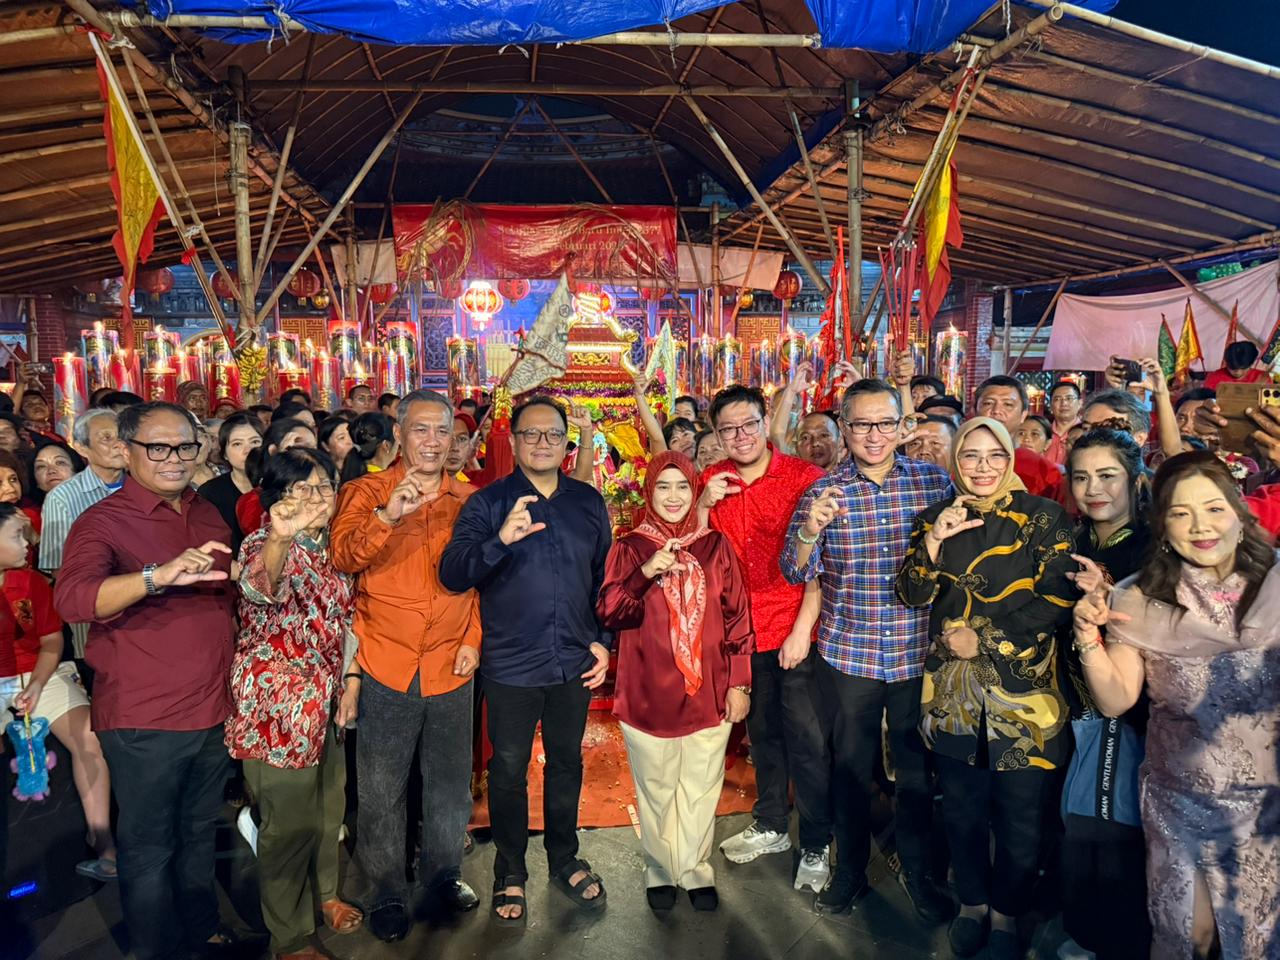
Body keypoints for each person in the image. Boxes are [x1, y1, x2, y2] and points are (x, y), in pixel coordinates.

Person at [1072, 451, 1279, 960]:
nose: (1201, 526)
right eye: (1181, 513)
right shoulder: (1138, 600)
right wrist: (1087, 638)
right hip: (1181, 798)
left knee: (1256, 938)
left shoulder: (1276, 586)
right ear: (1163, 527)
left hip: (1269, 803)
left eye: (1214, 509)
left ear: (1239, 514)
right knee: (1188, 933)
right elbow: (1116, 699)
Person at [53, 401, 237, 960]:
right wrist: (155, 576)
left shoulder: (206, 512)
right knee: (150, 845)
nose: (174, 458)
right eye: (158, 447)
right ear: (127, 451)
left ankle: (202, 931)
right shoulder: (103, 520)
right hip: (145, 718)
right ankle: (155, 949)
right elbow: (73, 598)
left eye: (185, 446)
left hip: (213, 707)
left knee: (199, 832)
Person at [897, 417, 1075, 960]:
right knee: (961, 808)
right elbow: (911, 594)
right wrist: (934, 540)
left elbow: (1057, 598)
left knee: (1021, 814)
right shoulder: (936, 517)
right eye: (970, 456)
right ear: (955, 461)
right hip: (953, 695)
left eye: (994, 455)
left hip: (1025, 695)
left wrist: (987, 638)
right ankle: (972, 904)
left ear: (1010, 459)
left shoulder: (1043, 518)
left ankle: (1007, 913)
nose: (982, 467)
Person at [781, 378, 954, 921]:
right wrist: (810, 530)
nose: (874, 435)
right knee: (851, 769)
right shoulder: (824, 491)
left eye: (885, 423)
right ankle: (850, 868)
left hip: (916, 652)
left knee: (916, 774)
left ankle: (919, 873)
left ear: (903, 426)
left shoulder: (932, 482)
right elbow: (795, 570)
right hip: (849, 653)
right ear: (845, 427)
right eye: (861, 424)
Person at [439, 396, 612, 926]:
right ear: (512, 441)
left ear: (566, 443)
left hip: (573, 660)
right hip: (511, 663)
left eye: (553, 435)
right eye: (531, 434)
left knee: (566, 761)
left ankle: (564, 857)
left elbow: (604, 578)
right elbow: (453, 572)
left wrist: (603, 640)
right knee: (509, 768)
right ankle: (510, 870)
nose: (542, 443)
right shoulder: (488, 504)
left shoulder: (586, 501)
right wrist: (499, 541)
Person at [329, 390, 482, 940]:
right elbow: (343, 557)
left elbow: (480, 579)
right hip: (385, 661)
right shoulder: (366, 492)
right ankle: (387, 890)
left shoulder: (468, 500)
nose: (433, 442)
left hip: (451, 662)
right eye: (421, 429)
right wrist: (389, 516)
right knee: (381, 788)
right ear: (398, 435)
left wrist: (474, 638)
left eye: (443, 431)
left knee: (449, 785)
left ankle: (443, 875)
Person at [597, 451, 753, 912]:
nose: (673, 496)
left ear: (695, 491)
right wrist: (647, 573)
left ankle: (694, 868)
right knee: (657, 787)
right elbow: (610, 612)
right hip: (647, 690)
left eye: (682, 486)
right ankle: (661, 869)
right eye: (663, 486)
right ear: (649, 492)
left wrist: (740, 684)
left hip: (710, 689)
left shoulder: (715, 546)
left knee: (701, 787)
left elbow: (738, 618)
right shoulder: (630, 547)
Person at [228, 447, 362, 959]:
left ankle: (325, 894)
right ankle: (288, 937)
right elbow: (259, 588)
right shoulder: (264, 541)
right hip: (277, 708)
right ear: (276, 497)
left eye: (323, 485)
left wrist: (351, 680)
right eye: (300, 488)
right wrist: (280, 538)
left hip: (327, 700)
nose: (315, 497)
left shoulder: (334, 548)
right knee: (287, 825)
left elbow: (348, 622)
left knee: (329, 808)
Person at [698, 385, 830, 892]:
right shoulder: (712, 482)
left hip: (796, 630)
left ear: (766, 420)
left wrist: (802, 630)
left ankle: (816, 841)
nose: (741, 436)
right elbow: (696, 553)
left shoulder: (803, 478)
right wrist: (704, 505)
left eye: (749, 424)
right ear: (716, 433)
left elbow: (821, 562)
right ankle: (772, 823)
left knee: (807, 741)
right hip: (741, 635)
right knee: (764, 735)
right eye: (728, 429)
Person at [1057, 430, 1153, 960]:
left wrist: (1108, 593)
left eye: (1107, 475)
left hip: (1125, 711)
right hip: (1076, 706)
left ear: (1135, 480)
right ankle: (1090, 932)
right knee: (1082, 823)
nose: (1094, 489)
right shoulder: (1074, 539)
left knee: (1109, 828)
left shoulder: (1153, 545)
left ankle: (1108, 940)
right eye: (1082, 477)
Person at [0, 503, 117, 880]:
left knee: (90, 737)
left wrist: (35, 684)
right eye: (17, 536)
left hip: (40, 672)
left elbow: (51, 641)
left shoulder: (31, 582)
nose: (28, 544)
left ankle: (103, 841)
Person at [973, 375, 1062, 500]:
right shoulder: (959, 461)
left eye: (1008, 404)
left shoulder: (1044, 470)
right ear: (975, 411)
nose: (996, 410)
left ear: (1023, 415)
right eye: (988, 403)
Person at [197, 412, 264, 556]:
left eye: (255, 442)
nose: (247, 450)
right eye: (237, 444)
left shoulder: (279, 486)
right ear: (225, 454)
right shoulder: (210, 493)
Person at [237, 419, 317, 538]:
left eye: (314, 448)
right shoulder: (252, 501)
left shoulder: (322, 490)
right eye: (301, 448)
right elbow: (262, 538)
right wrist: (283, 462)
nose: (312, 455)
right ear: (274, 451)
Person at [339, 412, 399, 484]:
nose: (399, 452)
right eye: (398, 445)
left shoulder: (352, 476)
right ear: (386, 445)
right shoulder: (385, 484)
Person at [29, 439, 84, 505]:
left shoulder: (94, 503)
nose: (51, 470)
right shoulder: (27, 511)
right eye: (41, 466)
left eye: (60, 463)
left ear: (76, 470)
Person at [1044, 380, 1082, 465]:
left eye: (1069, 398)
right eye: (1057, 399)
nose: (1064, 403)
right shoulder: (1042, 432)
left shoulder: (1085, 432)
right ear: (1050, 405)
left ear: (1080, 403)